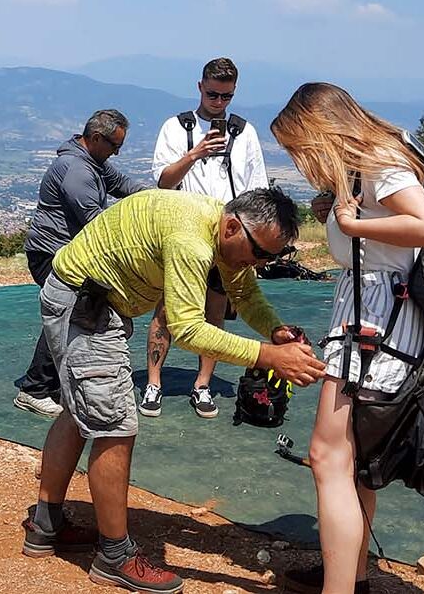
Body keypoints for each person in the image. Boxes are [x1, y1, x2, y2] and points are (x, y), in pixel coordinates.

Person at [22, 187, 325, 593]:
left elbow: (244, 291)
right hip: (85, 304)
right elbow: (186, 329)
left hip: (93, 299)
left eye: (269, 258)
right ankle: (114, 556)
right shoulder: (191, 240)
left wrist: (274, 329)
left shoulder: (223, 229)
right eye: (259, 253)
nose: (261, 263)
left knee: (81, 413)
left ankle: (46, 525)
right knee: (115, 425)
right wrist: (267, 356)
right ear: (233, 225)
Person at [269, 83, 424, 594]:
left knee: (328, 456)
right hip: (373, 315)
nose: (298, 159)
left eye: (297, 147)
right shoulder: (364, 167)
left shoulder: (376, 161)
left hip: (372, 324)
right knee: (355, 459)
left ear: (320, 132)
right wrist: (341, 214)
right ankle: (353, 574)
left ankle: (340, 586)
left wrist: (352, 222)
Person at [143, 57, 268, 420]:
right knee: (167, 309)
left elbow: (256, 189)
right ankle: (154, 382)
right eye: (212, 94)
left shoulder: (245, 133)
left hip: (228, 236)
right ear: (199, 87)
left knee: (215, 313)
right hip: (183, 231)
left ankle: (202, 384)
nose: (218, 102)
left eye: (226, 97)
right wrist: (196, 153)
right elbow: (164, 180)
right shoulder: (176, 127)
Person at [13, 109, 150, 418]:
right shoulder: (77, 170)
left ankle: (56, 381)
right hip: (52, 253)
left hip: (68, 254)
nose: (117, 151)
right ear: (97, 139)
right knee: (67, 313)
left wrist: (157, 204)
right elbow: (95, 222)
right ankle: (33, 389)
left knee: (73, 314)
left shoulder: (96, 164)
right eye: (115, 145)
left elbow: (127, 187)